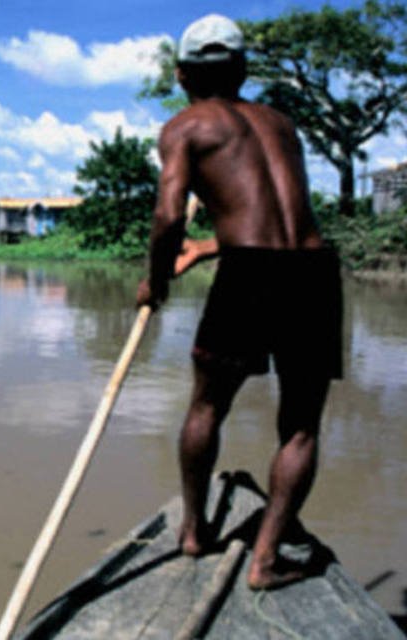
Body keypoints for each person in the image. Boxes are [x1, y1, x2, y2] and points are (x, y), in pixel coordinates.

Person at [135, 14, 343, 590]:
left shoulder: (185, 126)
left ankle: (195, 532)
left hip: (250, 273)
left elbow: (167, 214)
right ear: (244, 70)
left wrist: (157, 280)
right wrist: (205, 247)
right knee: (301, 428)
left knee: (206, 406)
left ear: (180, 75)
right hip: (313, 270)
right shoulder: (281, 125)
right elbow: (270, 219)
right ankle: (267, 557)